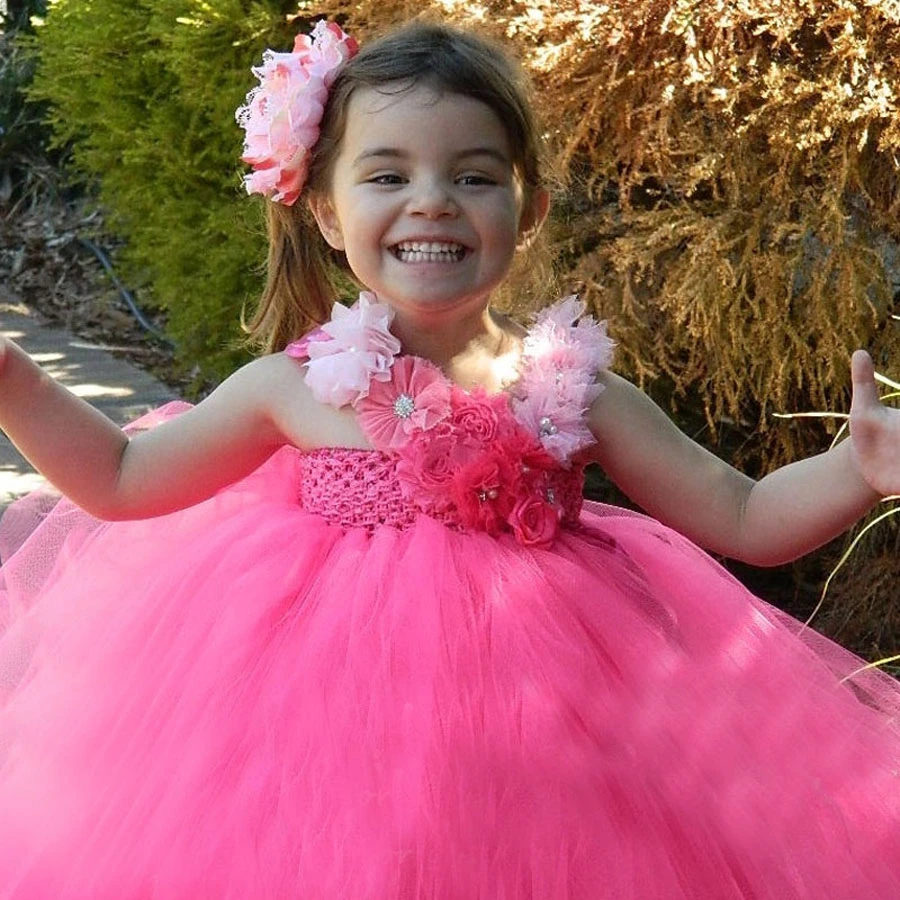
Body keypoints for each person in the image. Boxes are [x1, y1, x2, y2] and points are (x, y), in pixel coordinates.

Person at [1, 17, 899, 899]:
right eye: (388, 174)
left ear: (529, 208)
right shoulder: (297, 386)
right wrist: (13, 381)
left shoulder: (576, 390)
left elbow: (743, 517)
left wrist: (856, 470)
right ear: (324, 210)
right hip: (325, 736)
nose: (432, 200)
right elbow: (122, 480)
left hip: (548, 741)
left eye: (474, 176)